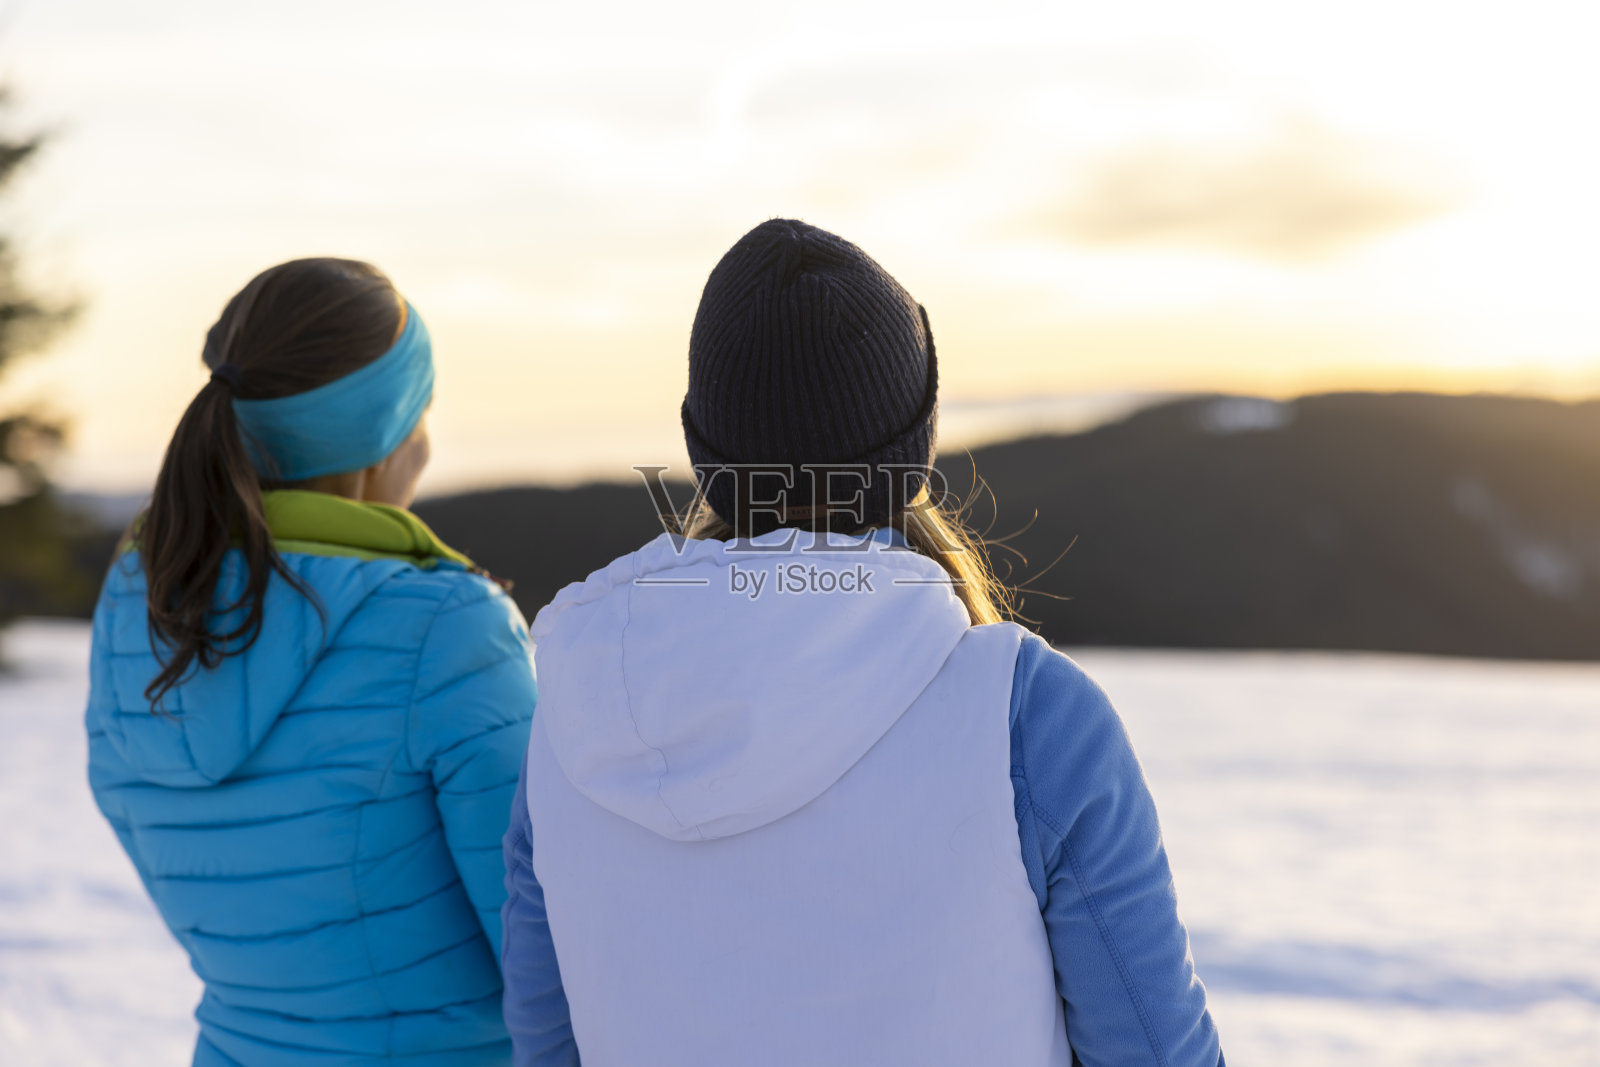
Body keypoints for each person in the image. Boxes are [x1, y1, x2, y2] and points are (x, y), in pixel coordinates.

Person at [500, 220, 1225, 1066]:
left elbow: (549, 1046)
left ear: (707, 448)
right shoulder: (1024, 713)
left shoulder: (575, 718)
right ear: (912, 448)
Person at [86, 258, 536, 1066]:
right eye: (422, 411)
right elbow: (543, 938)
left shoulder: (140, 600)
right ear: (385, 434)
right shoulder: (446, 625)